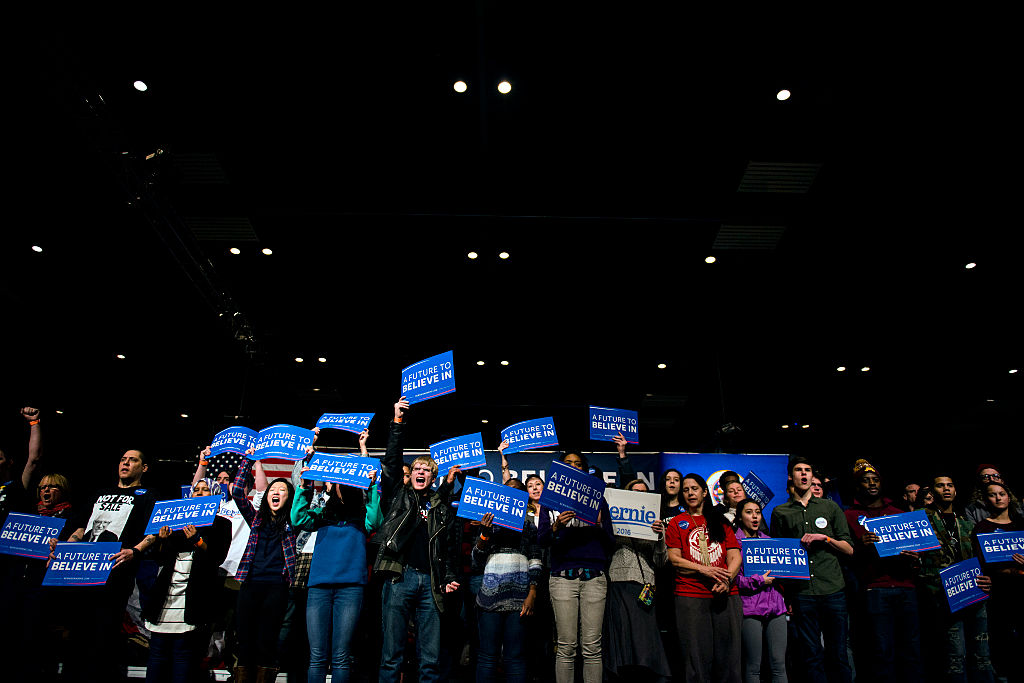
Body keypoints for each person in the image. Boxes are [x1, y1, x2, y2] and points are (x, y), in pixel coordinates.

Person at [375, 397, 461, 683]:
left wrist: (448, 575)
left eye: (427, 470)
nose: (421, 472)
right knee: (391, 656)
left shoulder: (440, 507)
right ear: (409, 475)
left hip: (431, 584)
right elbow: (391, 462)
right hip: (401, 578)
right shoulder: (397, 497)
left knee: (430, 661)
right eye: (416, 469)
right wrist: (398, 422)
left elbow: (448, 548)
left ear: (432, 477)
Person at [59, 448, 158, 683]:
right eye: (123, 460)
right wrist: (65, 548)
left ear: (143, 468)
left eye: (132, 460)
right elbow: (81, 528)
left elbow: (153, 530)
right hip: (84, 571)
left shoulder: (148, 495)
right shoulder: (100, 493)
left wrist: (135, 551)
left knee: (104, 633)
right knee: (78, 632)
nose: (125, 463)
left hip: (116, 571)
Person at [292, 436, 381, 683]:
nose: (332, 483)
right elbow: (298, 519)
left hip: (350, 588)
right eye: (330, 480)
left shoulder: (362, 517)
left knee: (341, 655)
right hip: (319, 587)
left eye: (337, 480)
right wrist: (303, 486)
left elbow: (375, 522)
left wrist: (372, 488)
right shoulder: (321, 514)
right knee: (317, 655)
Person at [770, 456, 854, 683]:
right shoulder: (781, 512)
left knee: (838, 654)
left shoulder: (830, 507)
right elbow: (779, 558)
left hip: (833, 589)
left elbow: (849, 549)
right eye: (799, 470)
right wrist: (786, 594)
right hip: (802, 593)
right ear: (791, 476)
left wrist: (825, 538)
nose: (804, 474)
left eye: (808, 470)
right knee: (811, 655)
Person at [538, 451, 616, 683]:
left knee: (592, 647)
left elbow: (611, 542)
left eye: (578, 464)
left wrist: (601, 524)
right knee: (566, 646)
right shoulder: (549, 500)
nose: (574, 467)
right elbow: (541, 540)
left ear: (585, 469)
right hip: (562, 577)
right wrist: (556, 527)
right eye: (568, 463)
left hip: (594, 577)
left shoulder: (599, 500)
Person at [144, 478, 232, 683]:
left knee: (183, 656)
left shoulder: (222, 524)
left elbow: (217, 558)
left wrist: (198, 541)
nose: (199, 493)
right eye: (196, 490)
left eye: (205, 490)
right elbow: (160, 559)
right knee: (157, 654)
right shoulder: (177, 522)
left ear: (215, 496)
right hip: (166, 598)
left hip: (192, 599)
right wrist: (163, 541)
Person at [842, 459, 922, 683]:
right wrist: (861, 546)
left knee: (911, 649)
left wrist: (917, 557)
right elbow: (847, 556)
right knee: (881, 650)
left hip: (906, 587)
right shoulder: (849, 516)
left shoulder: (899, 513)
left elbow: (919, 551)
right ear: (858, 487)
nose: (872, 484)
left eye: (875, 479)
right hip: (874, 589)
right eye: (866, 481)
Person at [664, 473, 742, 683]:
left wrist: (727, 580)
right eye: (686, 489)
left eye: (695, 488)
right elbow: (675, 559)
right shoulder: (676, 523)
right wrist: (703, 570)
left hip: (726, 594)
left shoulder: (720, 521)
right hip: (691, 595)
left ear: (705, 492)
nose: (690, 493)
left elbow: (735, 554)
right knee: (697, 658)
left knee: (729, 658)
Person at [919, 474, 995, 682]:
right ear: (931, 492)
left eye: (950, 485)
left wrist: (989, 579)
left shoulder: (967, 524)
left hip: (974, 593)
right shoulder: (922, 521)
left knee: (982, 653)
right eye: (940, 486)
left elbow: (981, 560)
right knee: (955, 654)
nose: (946, 489)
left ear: (955, 491)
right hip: (943, 595)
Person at [230, 451, 298, 682]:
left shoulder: (292, 522)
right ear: (267, 495)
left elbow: (301, 498)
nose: (277, 493)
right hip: (250, 584)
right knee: (245, 638)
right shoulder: (256, 518)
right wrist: (247, 460)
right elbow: (238, 493)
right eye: (273, 490)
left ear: (289, 498)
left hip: (276, 587)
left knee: (267, 641)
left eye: (283, 491)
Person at [473, 480, 544, 683]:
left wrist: (532, 592)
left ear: (524, 498)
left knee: (515, 658)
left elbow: (535, 560)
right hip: (489, 597)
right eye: (508, 490)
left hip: (520, 598)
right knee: (487, 656)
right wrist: (485, 535)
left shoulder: (529, 527)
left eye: (518, 491)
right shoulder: (487, 524)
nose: (512, 493)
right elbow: (476, 560)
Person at [603, 472, 671, 682]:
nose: (640, 495)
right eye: (635, 492)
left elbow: (661, 561)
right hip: (618, 582)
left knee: (644, 639)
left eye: (643, 492)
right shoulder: (614, 517)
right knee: (623, 637)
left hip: (645, 585)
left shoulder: (655, 523)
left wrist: (660, 536)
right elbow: (605, 547)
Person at [969, 481, 1023, 681]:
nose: (998, 498)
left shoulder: (1022, 524)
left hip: (1021, 590)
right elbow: (978, 563)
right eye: (993, 495)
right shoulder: (981, 528)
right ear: (985, 500)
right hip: (998, 594)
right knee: (1002, 641)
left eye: (1002, 493)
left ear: (1009, 497)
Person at [733, 498, 787, 683]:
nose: (754, 516)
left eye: (757, 511)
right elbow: (734, 580)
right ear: (739, 517)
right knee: (753, 666)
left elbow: (783, 573)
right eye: (749, 512)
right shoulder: (733, 543)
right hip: (750, 609)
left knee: (779, 664)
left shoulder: (770, 541)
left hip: (776, 608)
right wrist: (759, 580)